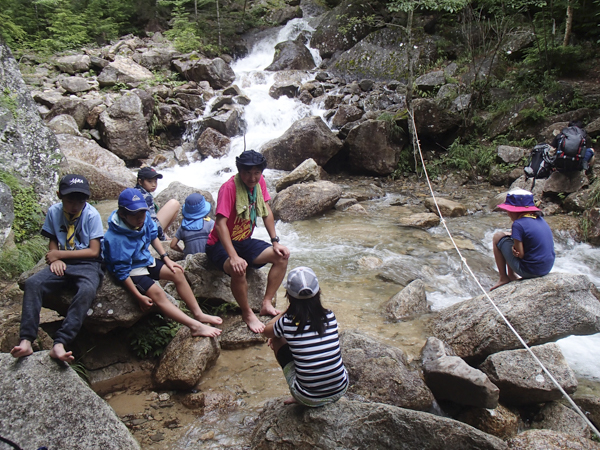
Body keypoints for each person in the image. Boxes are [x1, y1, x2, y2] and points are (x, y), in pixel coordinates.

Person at [102, 188, 222, 337]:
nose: (141, 218)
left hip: (144, 259)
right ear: (122, 215)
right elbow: (121, 272)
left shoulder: (142, 218)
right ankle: (195, 326)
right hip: (131, 269)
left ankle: (198, 314)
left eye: (143, 213)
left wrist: (166, 258)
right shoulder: (115, 239)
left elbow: (153, 235)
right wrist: (138, 296)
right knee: (158, 293)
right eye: (135, 216)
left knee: (177, 271)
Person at [11, 174, 104, 362]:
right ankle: (27, 340)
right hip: (63, 262)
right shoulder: (54, 212)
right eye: (70, 201)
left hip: (87, 264)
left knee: (86, 290)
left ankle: (60, 342)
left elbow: (94, 251)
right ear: (59, 195)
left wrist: (59, 255)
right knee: (33, 283)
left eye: (80, 201)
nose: (75, 205)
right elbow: (53, 240)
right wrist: (55, 259)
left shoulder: (91, 215)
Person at [206, 150, 290, 333]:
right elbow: (220, 225)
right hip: (218, 244)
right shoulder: (229, 188)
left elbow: (266, 211)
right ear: (239, 171)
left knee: (282, 256)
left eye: (256, 173)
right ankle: (247, 313)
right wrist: (233, 256)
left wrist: (275, 241)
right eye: (247, 173)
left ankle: (266, 303)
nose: (252, 178)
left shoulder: (259, 184)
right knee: (239, 268)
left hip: (244, 240)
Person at [262, 267, 349, 407]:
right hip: (341, 389)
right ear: (318, 292)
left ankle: (299, 395)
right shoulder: (330, 316)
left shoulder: (287, 323)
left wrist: (286, 311)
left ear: (288, 296)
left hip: (309, 398)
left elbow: (265, 331)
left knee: (276, 338)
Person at [491, 189, 555, 291]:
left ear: (513, 211)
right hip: (546, 268)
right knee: (509, 237)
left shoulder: (518, 224)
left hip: (530, 271)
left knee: (497, 237)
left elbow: (520, 254)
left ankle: (504, 277)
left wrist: (513, 248)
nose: (507, 213)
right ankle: (511, 276)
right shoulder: (539, 218)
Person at [135, 167, 180, 240]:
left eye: (155, 181)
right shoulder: (146, 197)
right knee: (174, 204)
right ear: (140, 182)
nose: (154, 185)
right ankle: (162, 236)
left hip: (138, 229)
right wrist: (162, 238)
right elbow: (153, 220)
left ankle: (163, 234)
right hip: (146, 232)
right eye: (149, 181)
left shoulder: (136, 191)